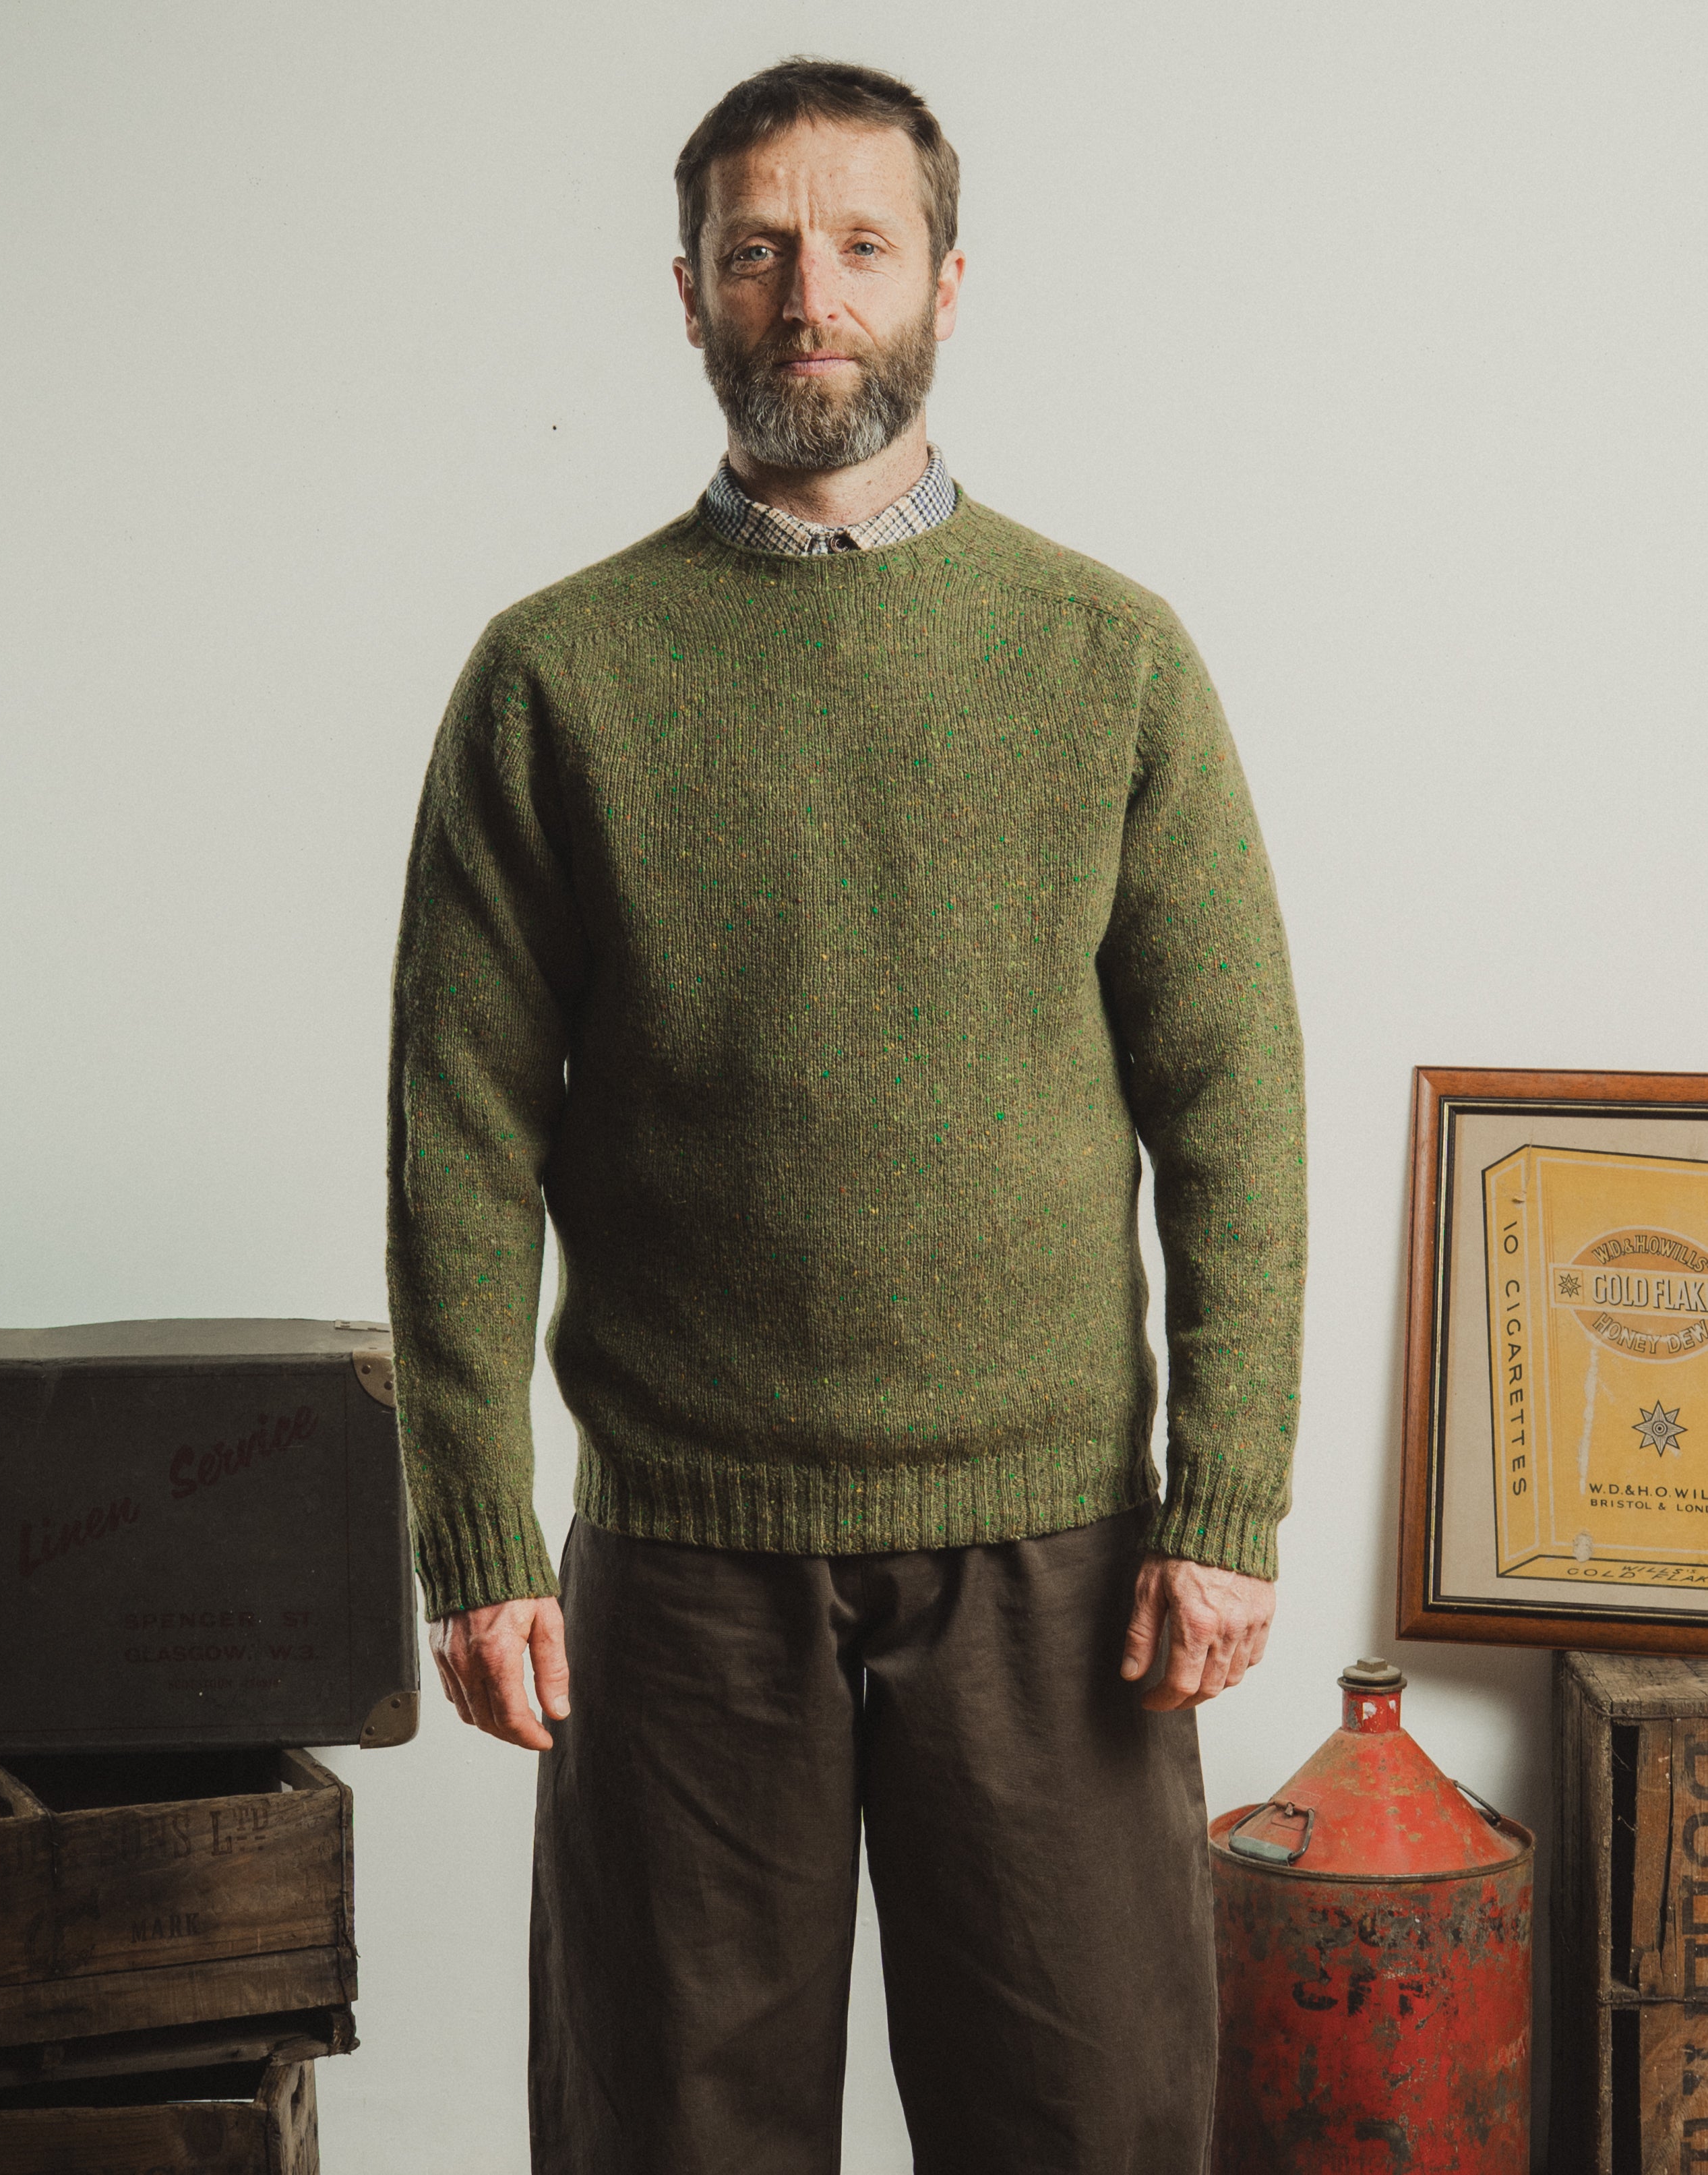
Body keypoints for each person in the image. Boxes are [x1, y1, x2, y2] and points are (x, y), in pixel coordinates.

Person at [387, 56, 1305, 2175]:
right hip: (682, 1561)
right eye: (759, 250)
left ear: (947, 283)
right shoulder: (556, 678)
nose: (811, 294)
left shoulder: (1108, 660)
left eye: (863, 245)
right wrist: (480, 1531)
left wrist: (1230, 1491)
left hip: (1058, 1558)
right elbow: (460, 1137)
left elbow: (1233, 1099)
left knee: (1092, 2123)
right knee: (671, 2134)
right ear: (688, 291)